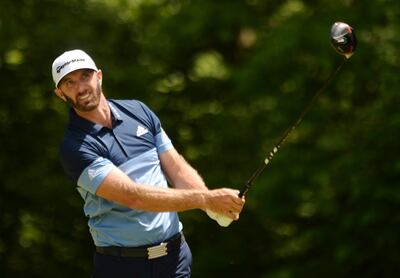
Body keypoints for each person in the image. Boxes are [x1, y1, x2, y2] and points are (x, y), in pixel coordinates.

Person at [51, 49, 245, 278]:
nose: (81, 87)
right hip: (121, 266)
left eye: (85, 76)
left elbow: (176, 167)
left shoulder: (138, 111)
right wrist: (206, 199)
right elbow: (133, 196)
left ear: (99, 76)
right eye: (69, 83)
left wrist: (211, 207)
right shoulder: (75, 146)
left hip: (175, 259)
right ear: (60, 94)